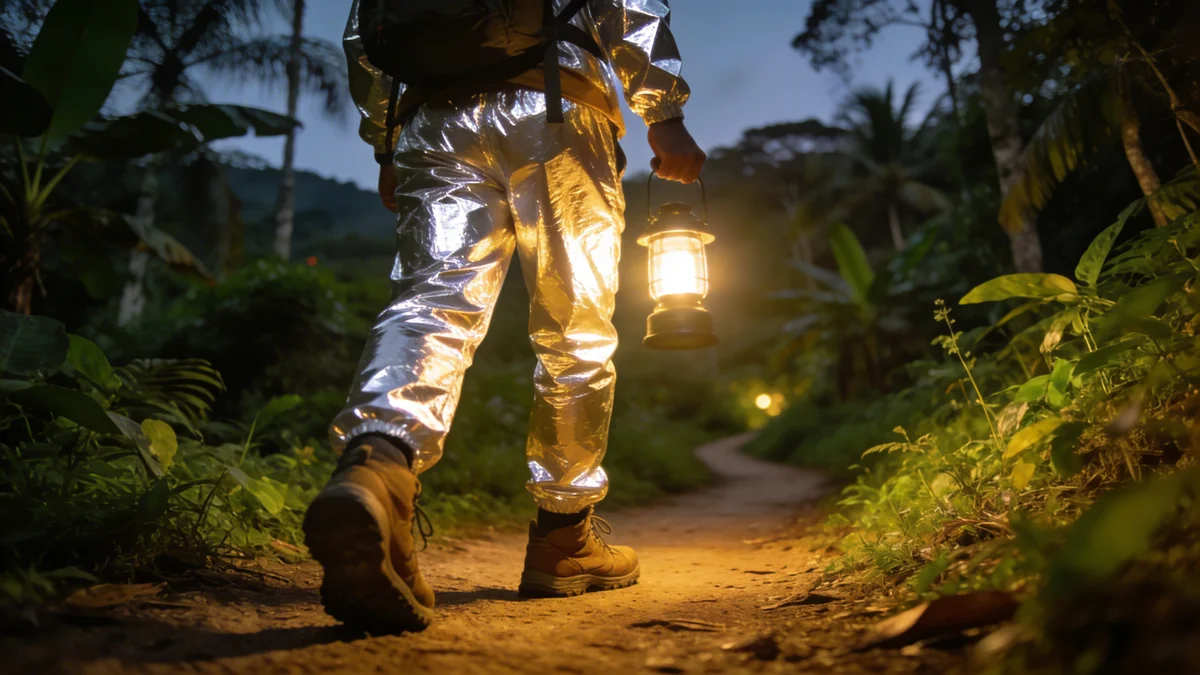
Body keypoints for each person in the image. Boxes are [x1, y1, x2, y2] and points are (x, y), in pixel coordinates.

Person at [302, 0, 706, 633]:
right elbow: (626, 7)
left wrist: (385, 143)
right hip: (555, 104)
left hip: (430, 120)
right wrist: (664, 111)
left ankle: (378, 468)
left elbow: (366, 29)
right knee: (575, 329)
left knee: (430, 299)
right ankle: (563, 536)